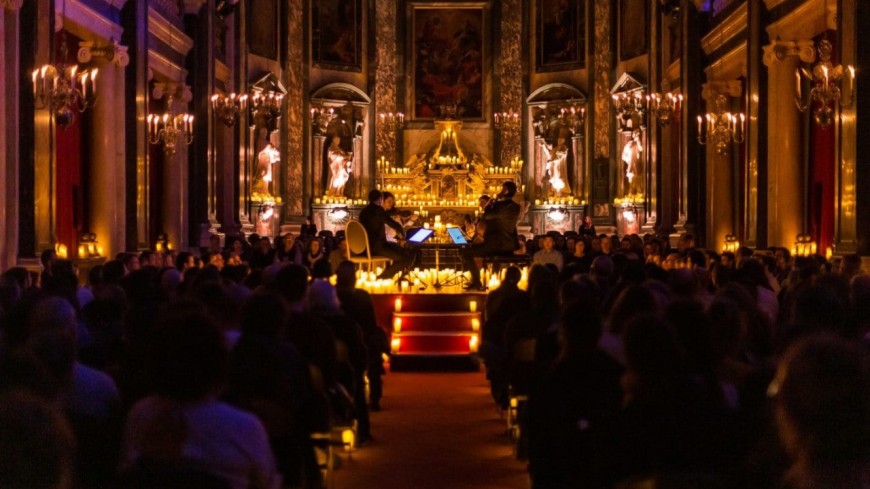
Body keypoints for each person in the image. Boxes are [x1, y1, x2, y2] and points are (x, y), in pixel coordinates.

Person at [461, 181, 521, 290]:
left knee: (465, 252)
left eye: (502, 189)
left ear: (506, 191)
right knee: (471, 249)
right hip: (509, 245)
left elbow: (486, 216)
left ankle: (476, 281)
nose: (500, 191)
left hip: (496, 245)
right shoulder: (516, 207)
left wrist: (492, 201)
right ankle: (479, 280)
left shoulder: (499, 205)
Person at [358, 189, 414, 279]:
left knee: (406, 252)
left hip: (367, 246)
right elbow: (392, 223)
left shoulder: (364, 211)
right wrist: (402, 232)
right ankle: (383, 277)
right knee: (406, 257)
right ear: (381, 199)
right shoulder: (378, 210)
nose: (392, 204)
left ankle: (388, 276)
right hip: (377, 247)